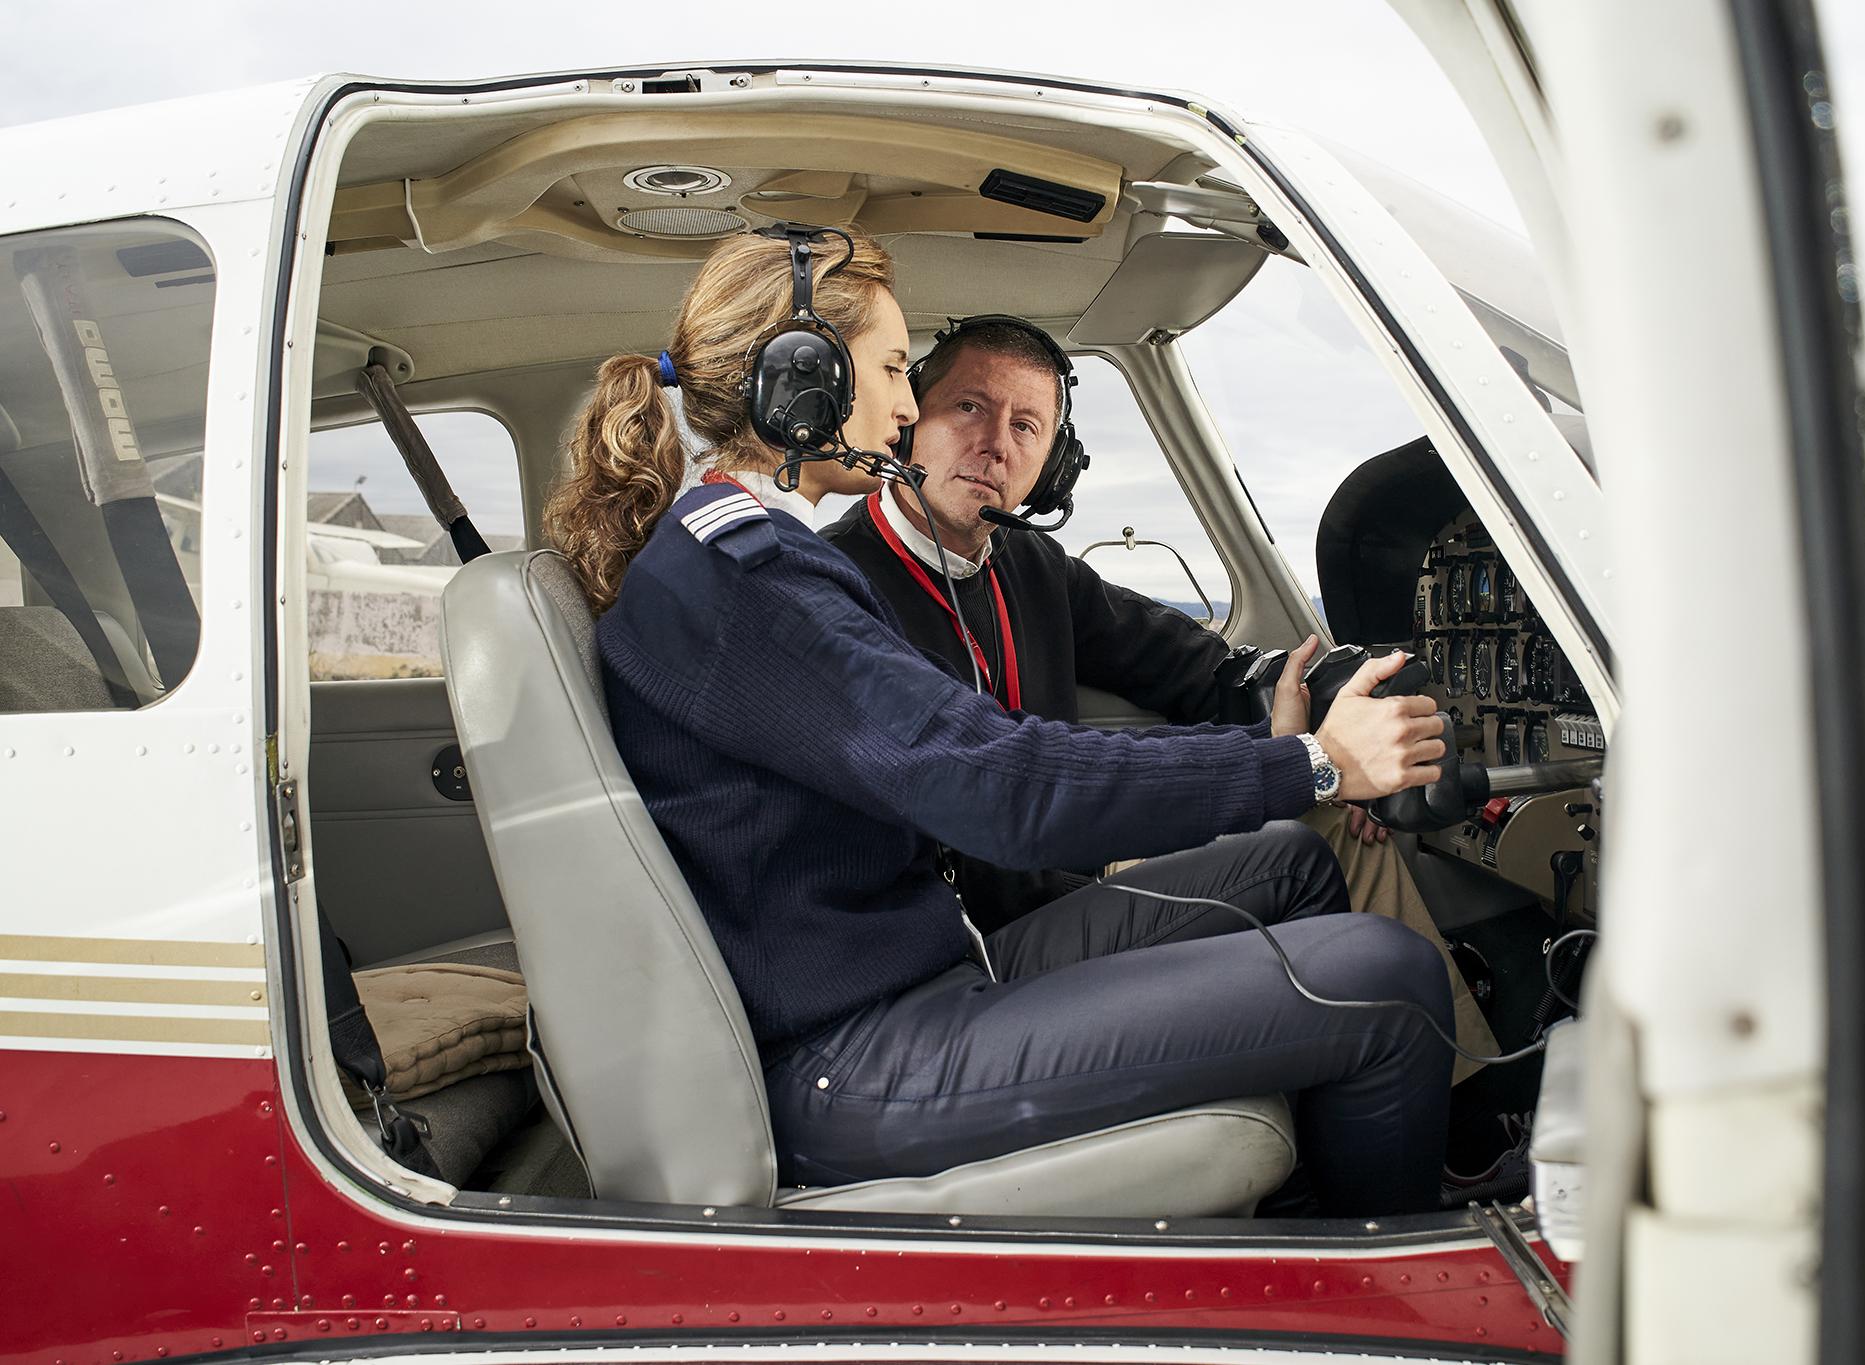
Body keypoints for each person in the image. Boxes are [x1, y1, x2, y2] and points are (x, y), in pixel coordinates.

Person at [543, 224, 1456, 1215]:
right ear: (800, 376)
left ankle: (1310, 1182)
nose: (901, 407)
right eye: (894, 369)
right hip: (852, 1056)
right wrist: (1313, 768)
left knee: (1295, 864)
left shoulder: (735, 548)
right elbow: (993, 783)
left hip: (917, 970)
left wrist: (1281, 752)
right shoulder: (750, 575)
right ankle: (1381, 1283)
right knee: (1386, 977)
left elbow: (993, 754)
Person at [819, 315, 1498, 1080]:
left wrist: (1316, 725)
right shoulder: (838, 584)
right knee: (1300, 831)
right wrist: (1305, 763)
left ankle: (1467, 1107)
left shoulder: (1033, 566)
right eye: (969, 409)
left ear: (1053, 464)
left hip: (1074, 881)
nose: (996, 444)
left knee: (1336, 826)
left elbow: (1198, 669)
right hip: (972, 939)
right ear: (909, 421)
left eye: (1027, 425)